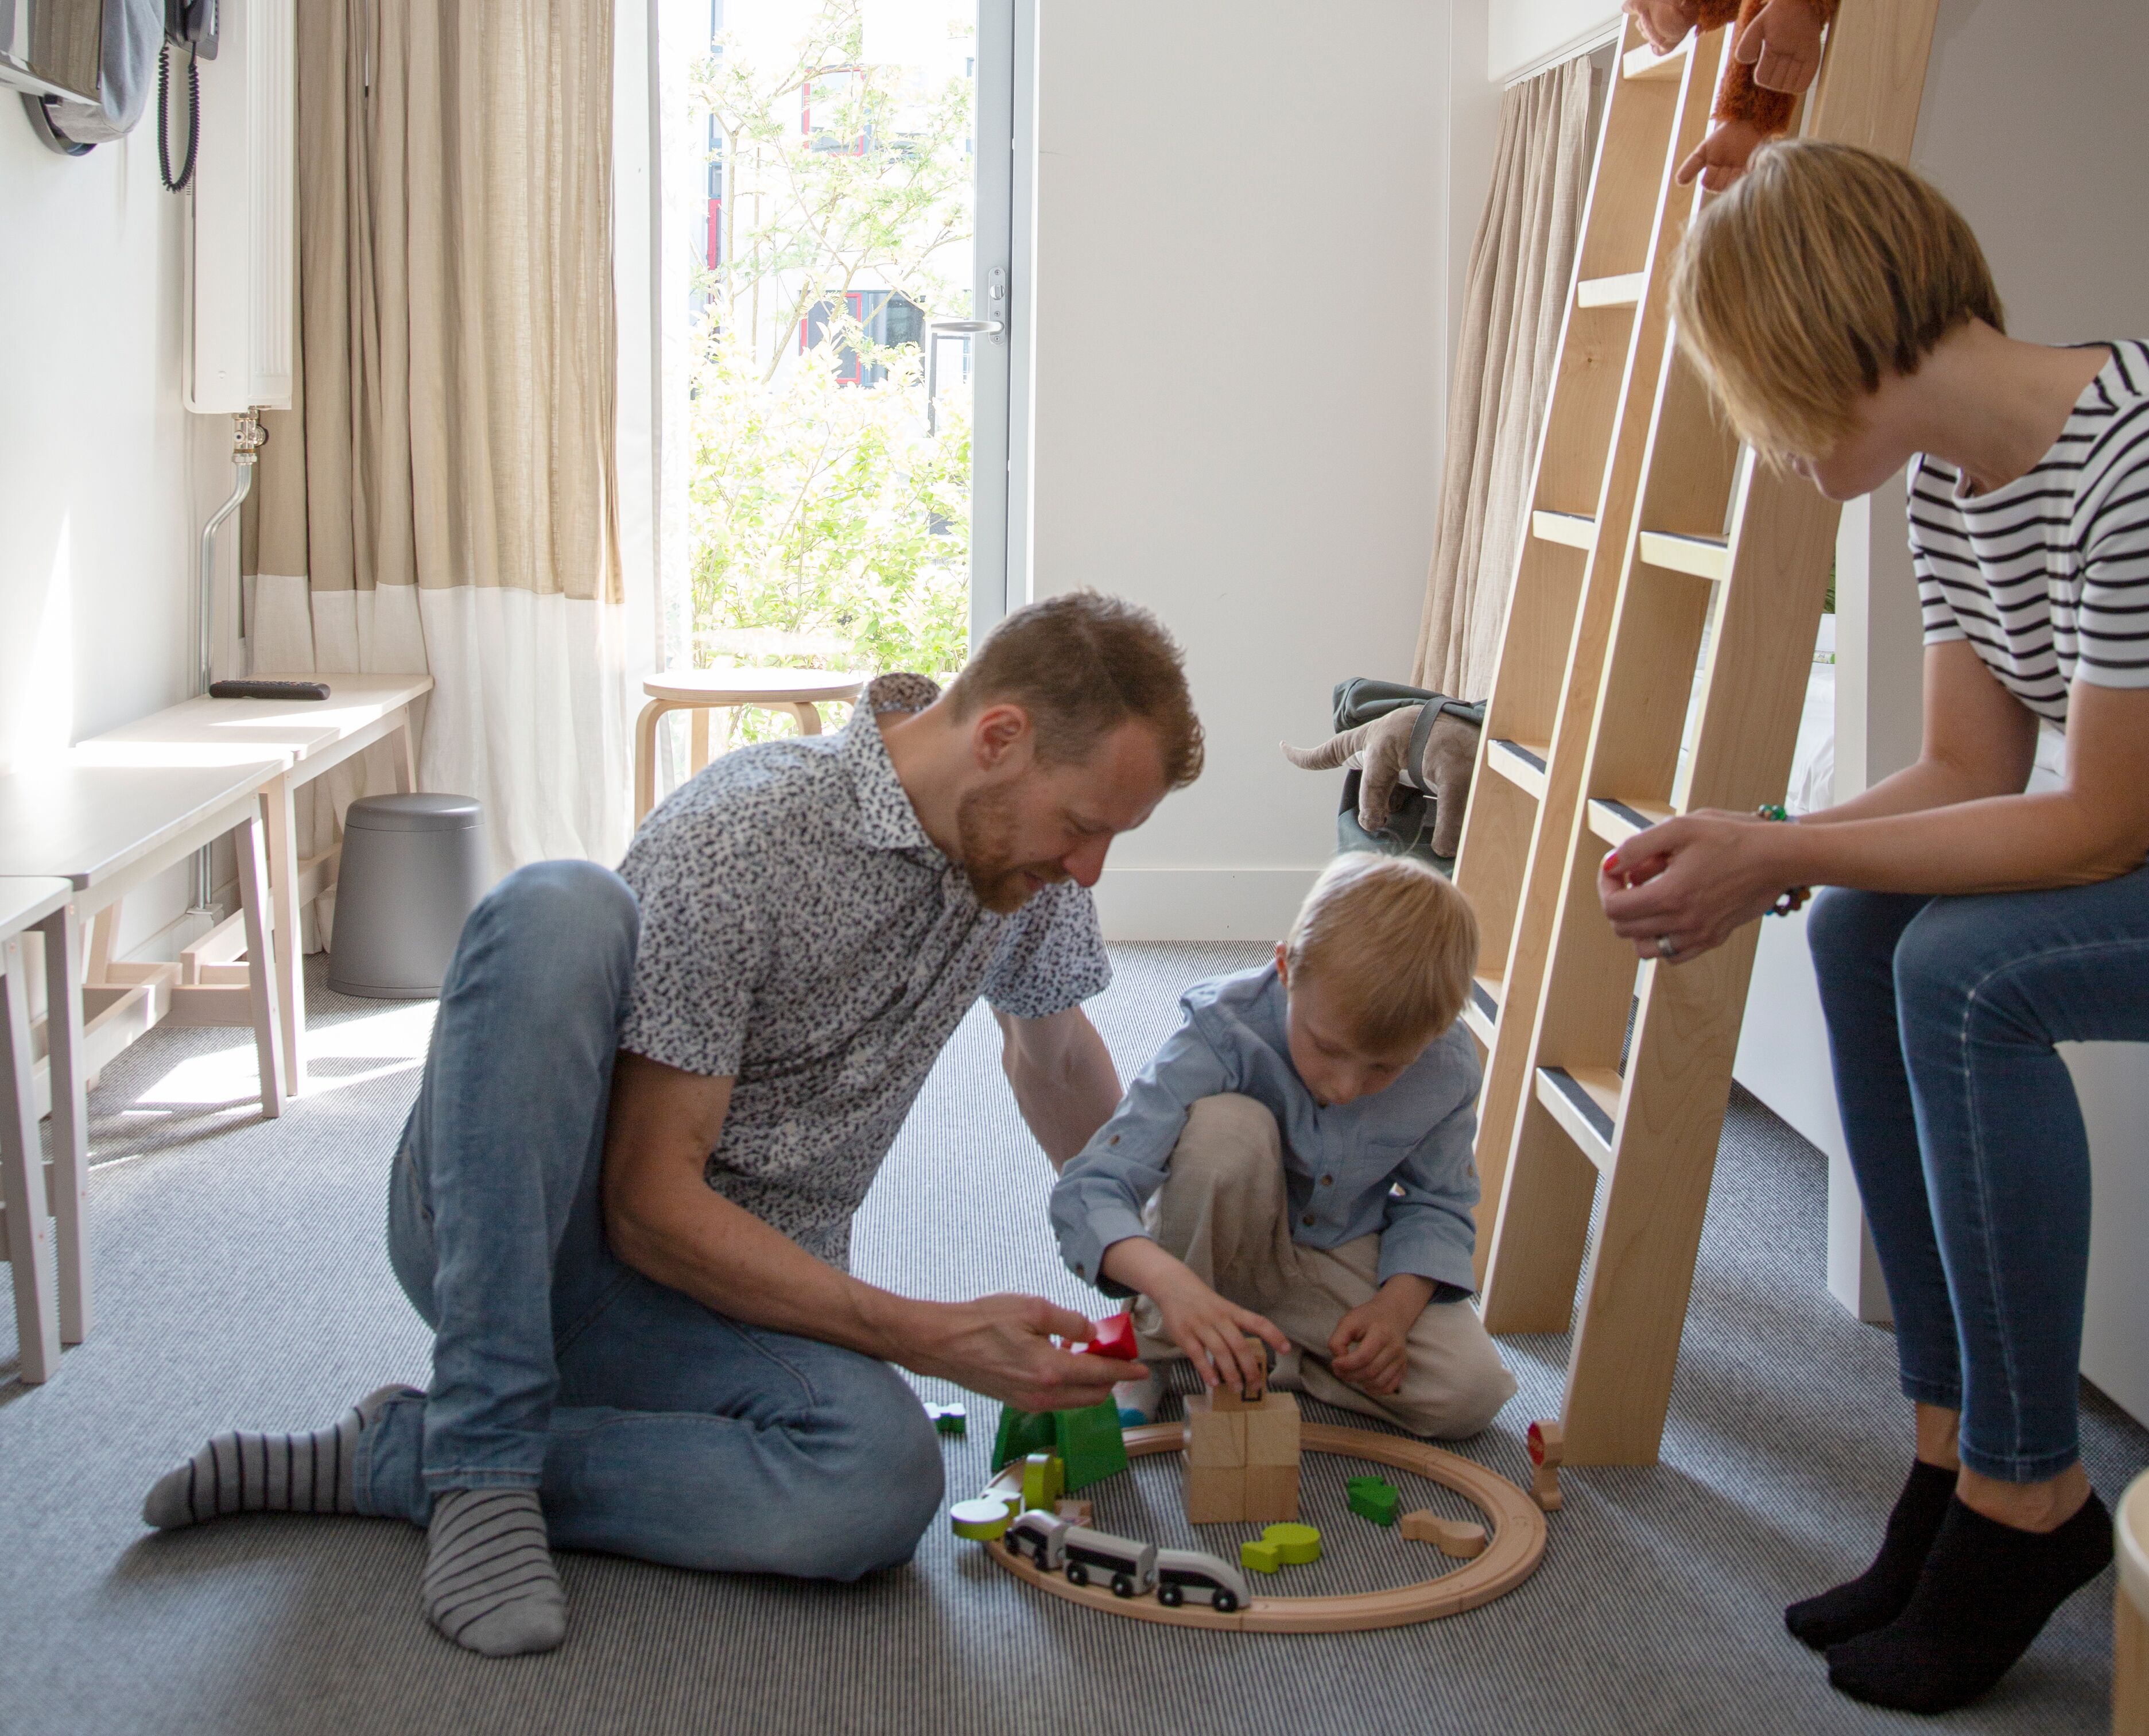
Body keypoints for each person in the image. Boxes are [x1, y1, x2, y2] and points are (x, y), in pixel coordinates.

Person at [137, 591, 1204, 1657]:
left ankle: (402, 1456)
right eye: (1084, 826)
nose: (1090, 869)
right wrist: (927, 1331)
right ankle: (480, 1456)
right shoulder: (749, 830)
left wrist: (1162, 1270)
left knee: (878, 1480)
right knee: (558, 907)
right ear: (999, 738)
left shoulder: (1024, 872)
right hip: (534, 1239)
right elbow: (647, 1205)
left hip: (734, 1301)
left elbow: (1054, 1056)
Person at [1595, 140, 2129, 1714]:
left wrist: (1772, 849)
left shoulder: (2131, 454)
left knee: (1966, 973)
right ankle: (1952, 1454)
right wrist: (1771, 848)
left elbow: (2104, 823)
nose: (1761, 442)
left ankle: (2030, 1497)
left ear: (1820, 335)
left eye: (1753, 392)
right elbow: (1969, 770)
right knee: (1855, 928)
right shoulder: (1954, 491)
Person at [1050, 853, 1516, 1438]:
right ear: (1286, 967)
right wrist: (1171, 1287)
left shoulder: (1445, 1064)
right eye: (1328, 1048)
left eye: (1384, 1068)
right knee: (1226, 1130)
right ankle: (1160, 1338)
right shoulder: (1224, 1027)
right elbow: (1092, 1187)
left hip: (1338, 1249)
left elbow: (1439, 1204)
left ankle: (1274, 1352)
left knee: (1471, 1393)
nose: (1345, 1087)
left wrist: (1393, 1313)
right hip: (1211, 1248)